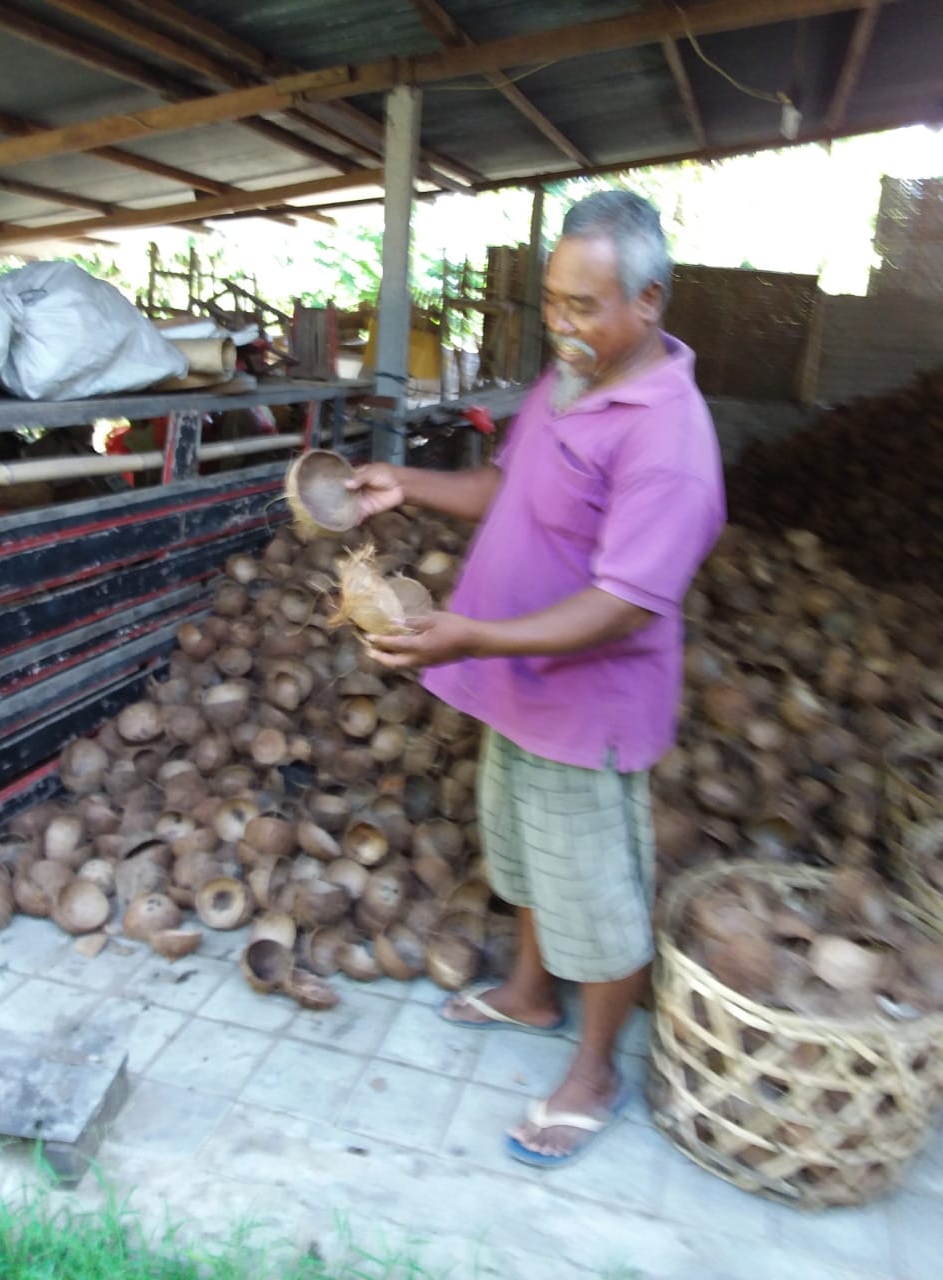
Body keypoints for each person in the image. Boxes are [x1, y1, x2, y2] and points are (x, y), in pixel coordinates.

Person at [346, 189, 726, 1168]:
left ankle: (595, 1069)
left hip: (585, 701)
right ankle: (528, 991)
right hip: (515, 681)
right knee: (521, 856)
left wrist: (471, 635)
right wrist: (409, 483)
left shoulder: (668, 436)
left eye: (585, 305)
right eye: (554, 300)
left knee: (595, 889)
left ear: (648, 302)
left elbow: (627, 603)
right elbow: (508, 487)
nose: (562, 321)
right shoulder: (570, 380)